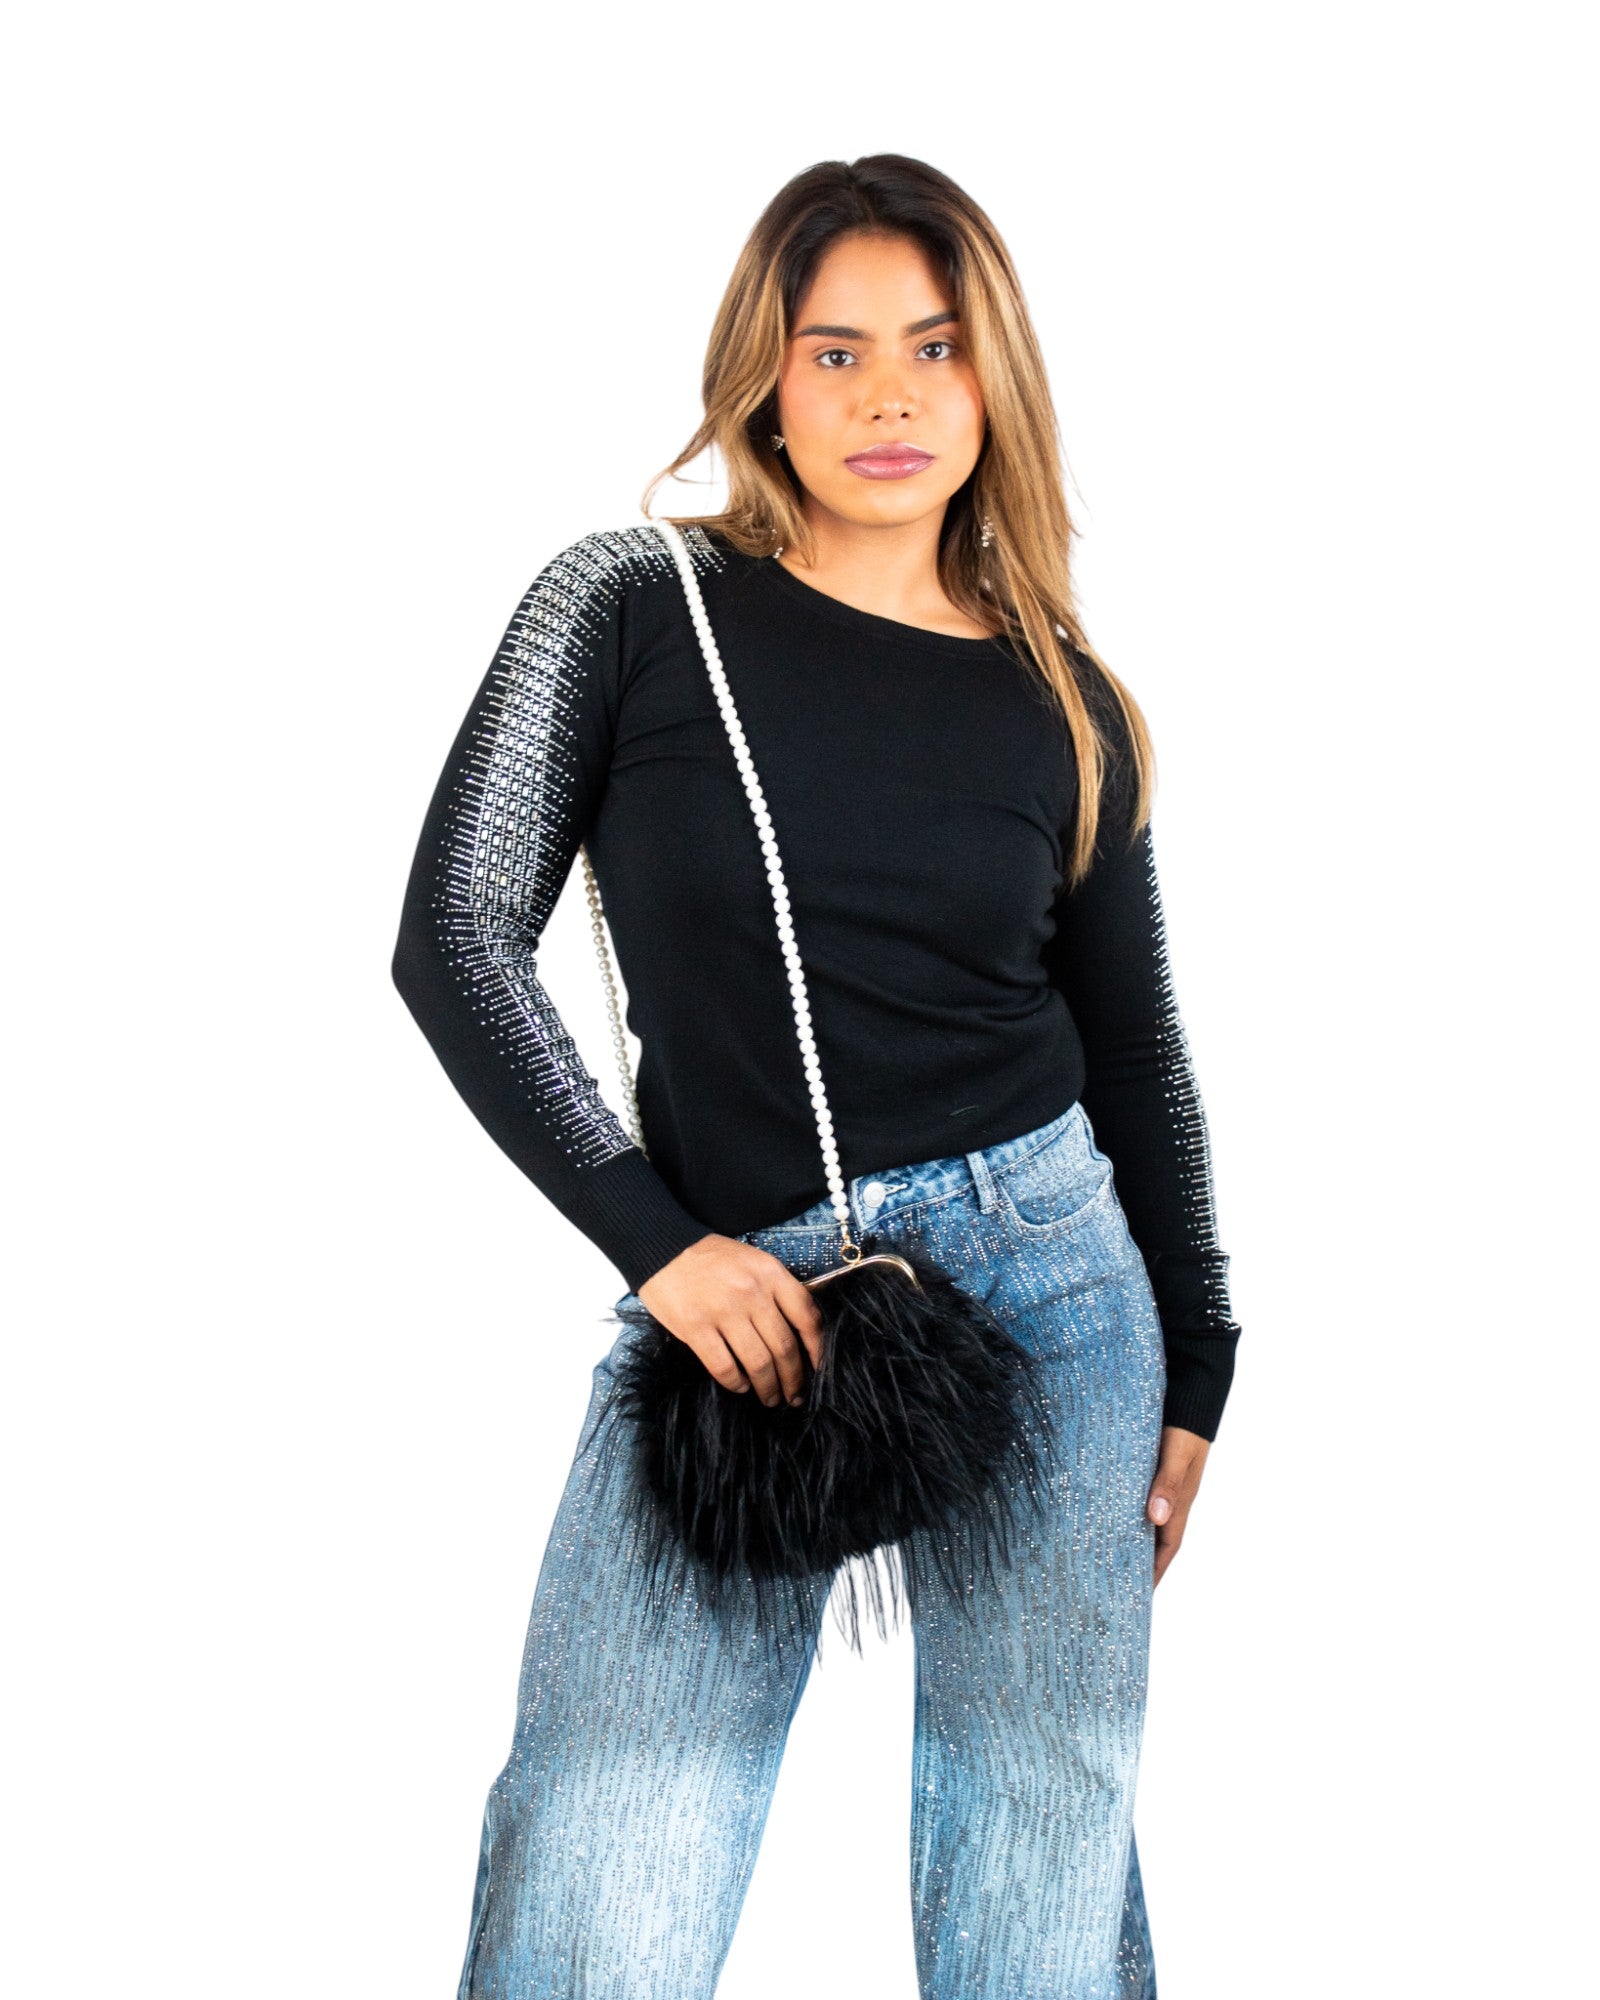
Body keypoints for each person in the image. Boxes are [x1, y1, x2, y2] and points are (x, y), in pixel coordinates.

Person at [391, 152, 1241, 2000]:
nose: (887, 397)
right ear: (762, 379)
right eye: (833, 350)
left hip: (1058, 1281)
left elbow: (1134, 1051)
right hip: (739, 1295)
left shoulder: (1067, 697)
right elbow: (455, 938)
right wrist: (660, 1247)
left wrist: (1203, 1363)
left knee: (1038, 1854)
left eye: (934, 347)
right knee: (606, 1836)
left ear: (995, 375)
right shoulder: (631, 606)